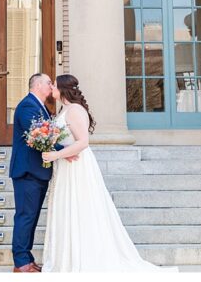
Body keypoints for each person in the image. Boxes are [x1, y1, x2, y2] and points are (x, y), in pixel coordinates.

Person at [40, 74, 177, 273]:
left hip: (77, 167)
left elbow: (83, 142)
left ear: (62, 88)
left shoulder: (75, 110)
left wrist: (56, 154)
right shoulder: (65, 109)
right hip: (66, 164)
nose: (51, 86)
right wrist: (58, 150)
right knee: (69, 208)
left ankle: (84, 258)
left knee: (81, 209)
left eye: (54, 84)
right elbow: (69, 140)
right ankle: (67, 258)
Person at [9, 73, 59, 273]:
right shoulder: (28, 106)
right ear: (38, 85)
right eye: (48, 83)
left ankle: (27, 257)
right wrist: (65, 151)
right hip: (27, 171)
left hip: (37, 172)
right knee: (25, 216)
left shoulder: (40, 106)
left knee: (32, 216)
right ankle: (21, 263)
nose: (51, 85)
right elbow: (39, 136)